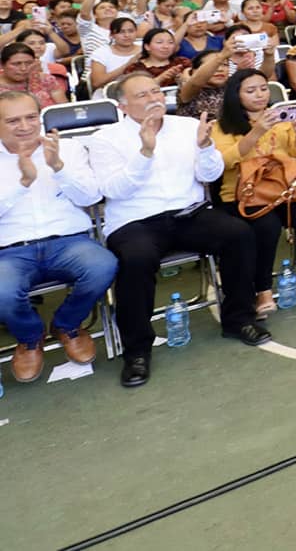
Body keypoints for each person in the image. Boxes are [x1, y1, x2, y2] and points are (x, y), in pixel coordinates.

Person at [89, 72, 271, 388]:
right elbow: (113, 190)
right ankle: (137, 350)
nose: (153, 99)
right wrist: (145, 152)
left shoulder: (188, 127)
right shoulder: (105, 139)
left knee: (239, 235)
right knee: (136, 260)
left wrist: (203, 148)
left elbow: (209, 174)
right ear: (122, 105)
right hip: (136, 220)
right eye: (142, 95)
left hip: (189, 212)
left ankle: (239, 318)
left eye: (156, 91)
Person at [0, 91, 114, 383]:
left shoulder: (69, 148)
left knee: (103, 266)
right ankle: (29, 338)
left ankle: (67, 324)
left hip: (69, 240)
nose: (25, 126)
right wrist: (23, 183)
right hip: (10, 250)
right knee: (2, 291)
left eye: (30, 117)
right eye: (13, 120)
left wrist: (59, 168)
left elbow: (92, 196)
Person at [208, 69, 296, 313]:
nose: (259, 95)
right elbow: (224, 162)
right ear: (236, 95)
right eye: (251, 90)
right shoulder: (221, 126)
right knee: (267, 226)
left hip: (284, 189)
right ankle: (262, 290)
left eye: (263, 88)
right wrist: (256, 132)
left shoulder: (280, 117)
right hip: (243, 193)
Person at [0, 41, 68, 108]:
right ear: (2, 65)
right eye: (16, 64)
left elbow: (64, 110)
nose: (23, 68)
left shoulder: (46, 80)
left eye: (29, 63)